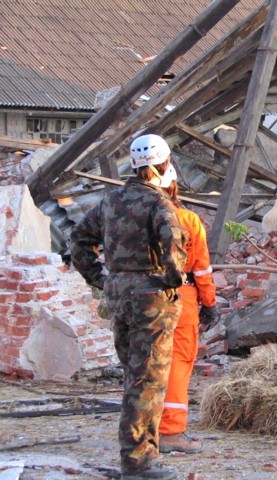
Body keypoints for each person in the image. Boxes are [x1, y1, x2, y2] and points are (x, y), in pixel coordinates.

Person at [69, 134, 187, 480]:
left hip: (118, 294)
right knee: (146, 380)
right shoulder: (160, 205)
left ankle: (140, 454)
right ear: (164, 164)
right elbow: (175, 255)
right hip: (150, 298)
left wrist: (102, 278)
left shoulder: (110, 201)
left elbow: (79, 239)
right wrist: (169, 281)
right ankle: (138, 463)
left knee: (134, 376)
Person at [158, 165, 217, 454]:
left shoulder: (130, 216)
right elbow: (202, 269)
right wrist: (210, 303)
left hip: (137, 299)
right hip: (181, 299)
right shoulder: (188, 220)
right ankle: (169, 431)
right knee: (178, 364)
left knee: (144, 363)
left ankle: (142, 430)